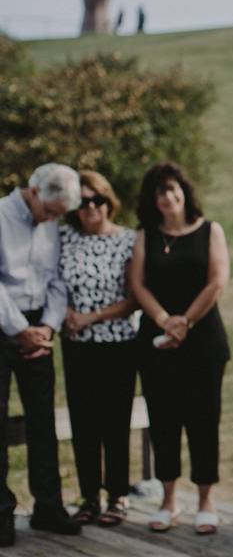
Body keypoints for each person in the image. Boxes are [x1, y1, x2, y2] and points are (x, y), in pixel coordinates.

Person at [129, 163, 230, 535]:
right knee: (164, 422)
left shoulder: (210, 230)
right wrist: (163, 320)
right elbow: (137, 285)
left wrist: (185, 321)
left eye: (172, 189)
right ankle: (168, 500)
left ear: (184, 191)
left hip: (203, 343)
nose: (168, 197)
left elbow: (217, 281)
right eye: (159, 193)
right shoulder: (146, 236)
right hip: (156, 344)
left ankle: (206, 501)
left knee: (204, 420)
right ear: (152, 202)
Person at [0, 163, 83, 547]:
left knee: (42, 419)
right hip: (5, 325)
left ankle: (48, 507)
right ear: (33, 192)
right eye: (50, 212)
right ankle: (1, 516)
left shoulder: (52, 224)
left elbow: (56, 279)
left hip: (40, 330)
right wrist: (20, 330)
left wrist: (47, 327)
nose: (53, 220)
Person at [59, 171, 138, 527]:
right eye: (83, 202)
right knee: (83, 421)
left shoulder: (127, 240)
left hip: (117, 343)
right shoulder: (65, 238)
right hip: (77, 346)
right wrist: (67, 316)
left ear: (108, 202)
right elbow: (51, 282)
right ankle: (89, 495)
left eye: (97, 200)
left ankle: (117, 495)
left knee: (114, 421)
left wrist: (90, 317)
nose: (90, 208)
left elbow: (132, 299)